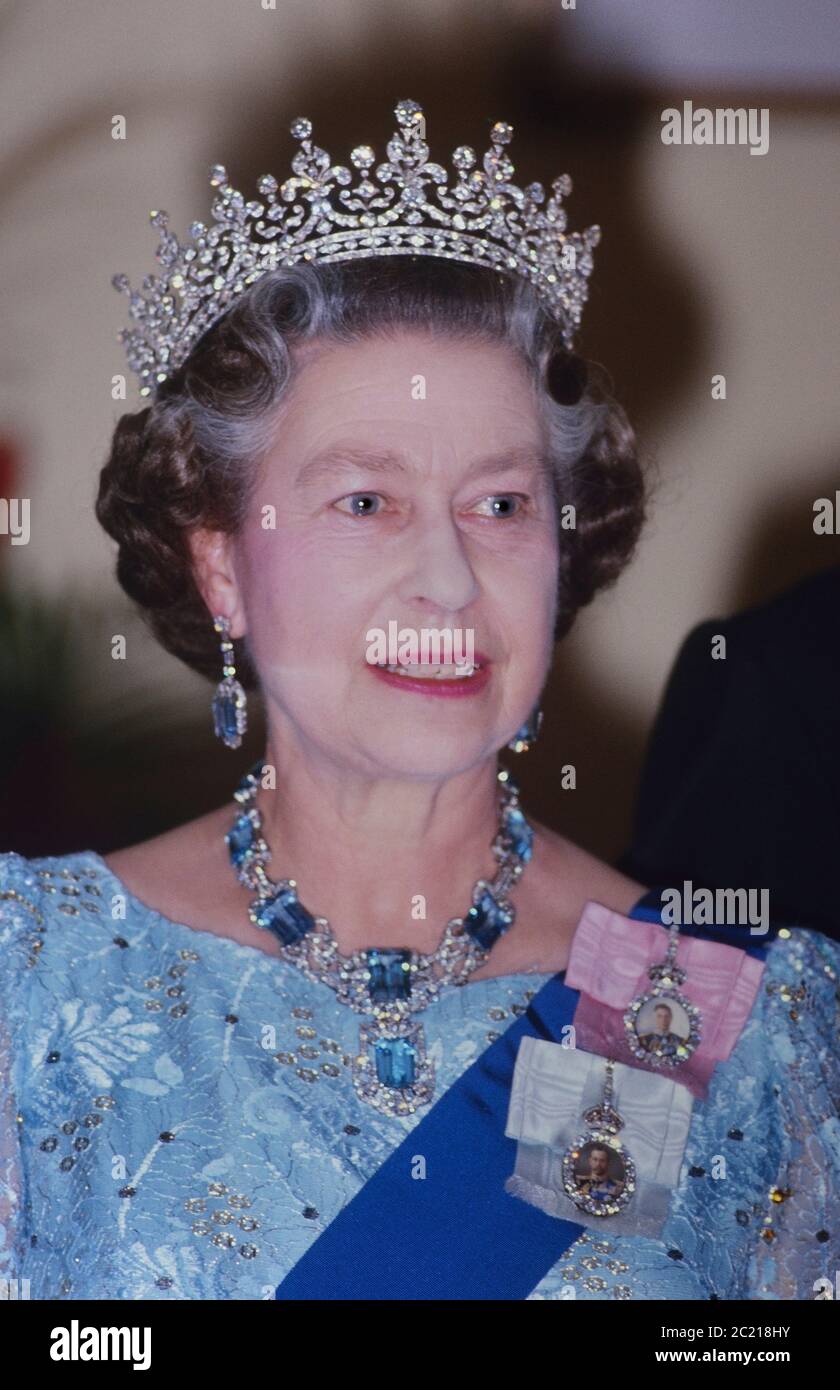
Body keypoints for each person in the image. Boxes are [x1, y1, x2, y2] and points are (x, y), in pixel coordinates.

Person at [1, 99, 837, 1302]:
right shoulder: (33, 990)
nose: (449, 579)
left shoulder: (747, 1024)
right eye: (366, 502)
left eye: (500, 505)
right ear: (221, 560)